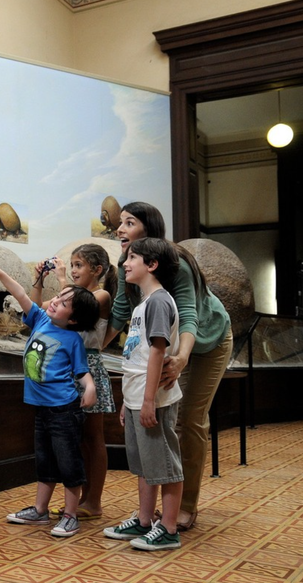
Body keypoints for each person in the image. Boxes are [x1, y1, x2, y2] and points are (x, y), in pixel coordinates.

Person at [103, 201, 233, 532]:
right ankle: (153, 512)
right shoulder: (127, 264)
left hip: (207, 340)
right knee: (166, 423)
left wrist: (182, 359)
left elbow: (188, 314)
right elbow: (120, 313)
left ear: (148, 230)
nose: (119, 229)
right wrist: (88, 351)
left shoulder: (178, 264)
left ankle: (184, 507)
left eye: (129, 223)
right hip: (169, 345)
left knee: (189, 419)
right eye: (120, 222)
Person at [0, 253, 100, 538]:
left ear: (74, 319)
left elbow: (82, 371)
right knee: (44, 460)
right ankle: (40, 510)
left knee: (69, 462)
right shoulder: (41, 320)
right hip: (42, 409)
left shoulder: (72, 339)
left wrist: (91, 387)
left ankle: (70, 515)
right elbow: (20, 294)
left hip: (64, 410)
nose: (55, 302)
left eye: (64, 303)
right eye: (58, 297)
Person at [103, 237, 184, 550]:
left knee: (165, 465)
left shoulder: (160, 302)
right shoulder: (142, 304)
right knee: (145, 465)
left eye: (132, 258)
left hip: (155, 400)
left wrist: (149, 401)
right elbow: (136, 357)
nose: (125, 264)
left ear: (152, 265)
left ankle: (169, 528)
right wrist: (130, 401)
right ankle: (144, 519)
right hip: (138, 397)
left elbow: (157, 352)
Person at [32, 245, 117, 520]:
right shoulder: (69, 294)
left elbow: (74, 305)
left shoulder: (101, 295)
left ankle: (94, 500)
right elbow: (37, 309)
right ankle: (81, 497)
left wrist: (61, 280)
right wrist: (39, 281)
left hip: (88, 367)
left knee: (93, 437)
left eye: (79, 265)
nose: (73, 270)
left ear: (97, 270)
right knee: (74, 437)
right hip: (67, 368)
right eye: (72, 265)